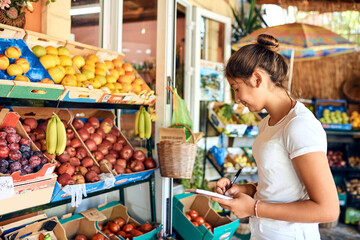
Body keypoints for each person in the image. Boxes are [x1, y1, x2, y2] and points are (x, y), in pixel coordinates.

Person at [210, 34, 339, 239]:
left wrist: (254, 209)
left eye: (236, 88)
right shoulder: (266, 124)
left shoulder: (299, 126)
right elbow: (279, 185)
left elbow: (327, 209)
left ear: (257, 78)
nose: (237, 99)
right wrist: (243, 189)